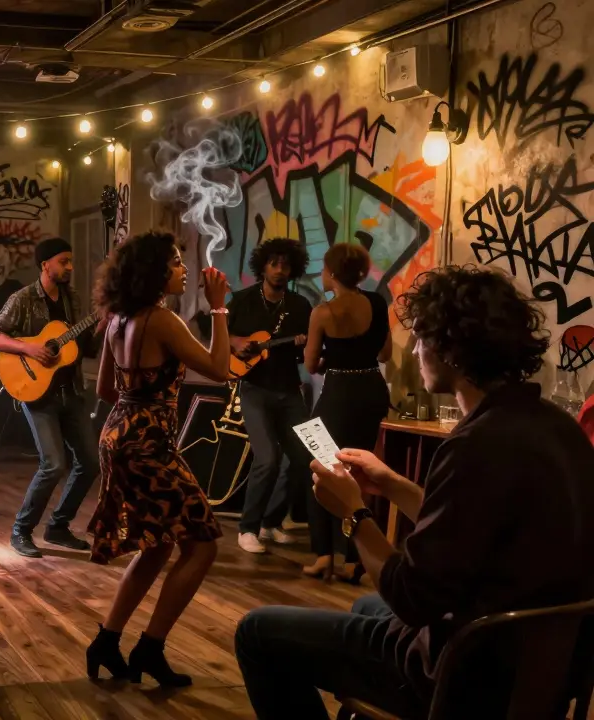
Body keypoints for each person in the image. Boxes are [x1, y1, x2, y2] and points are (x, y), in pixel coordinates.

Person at [235, 265, 594, 719]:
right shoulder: (556, 427)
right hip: (541, 667)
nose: (417, 349)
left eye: (423, 338)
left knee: (257, 632)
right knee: (366, 605)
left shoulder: (472, 446)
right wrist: (392, 483)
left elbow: (411, 595)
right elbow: (476, 529)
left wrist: (354, 515)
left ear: (453, 351)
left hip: (462, 674)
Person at [84, 233, 232, 687]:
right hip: (148, 442)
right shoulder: (163, 321)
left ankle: (108, 641)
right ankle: (150, 648)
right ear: (154, 273)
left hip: (118, 433)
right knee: (203, 543)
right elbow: (220, 370)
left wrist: (141, 398)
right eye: (174, 262)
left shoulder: (116, 320)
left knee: (160, 543)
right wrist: (219, 309)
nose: (183, 269)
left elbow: (105, 391)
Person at [0, 237, 102, 559]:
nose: (70, 267)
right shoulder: (23, 299)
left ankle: (58, 527)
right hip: (38, 395)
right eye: (64, 261)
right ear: (45, 265)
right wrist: (29, 348)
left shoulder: (74, 299)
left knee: (90, 463)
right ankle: (21, 531)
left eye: (71, 262)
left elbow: (85, 348)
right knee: (53, 464)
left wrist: (102, 323)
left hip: (72, 392)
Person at [301, 244, 392, 583]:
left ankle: (324, 554)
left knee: (319, 466)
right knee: (359, 471)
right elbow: (385, 353)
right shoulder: (377, 303)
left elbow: (311, 363)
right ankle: (357, 560)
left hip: (338, 393)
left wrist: (332, 357)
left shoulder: (322, 313)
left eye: (325, 269)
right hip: (371, 391)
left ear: (334, 274)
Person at [226, 237, 312, 555]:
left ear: (293, 270)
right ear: (263, 266)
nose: (279, 270)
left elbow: (308, 353)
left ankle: (270, 524)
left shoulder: (300, 307)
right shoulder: (243, 300)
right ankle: (247, 528)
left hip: (289, 389)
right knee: (268, 458)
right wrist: (236, 342)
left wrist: (304, 343)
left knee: (302, 457)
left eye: (285, 265)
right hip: (254, 389)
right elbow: (218, 335)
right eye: (274, 264)